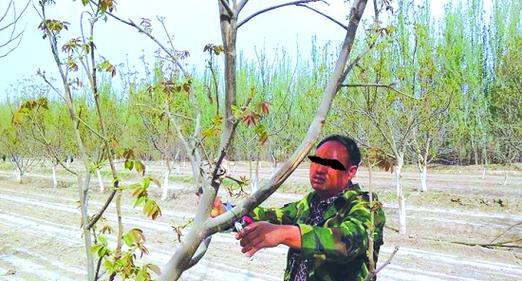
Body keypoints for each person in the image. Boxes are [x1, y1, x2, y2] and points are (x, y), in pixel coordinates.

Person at [213, 135, 385, 281]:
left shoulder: (367, 206)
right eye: (316, 161)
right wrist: (226, 212)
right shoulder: (309, 204)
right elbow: (267, 216)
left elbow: (347, 242)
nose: (319, 169)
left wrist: (285, 233)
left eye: (331, 164)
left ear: (351, 172)